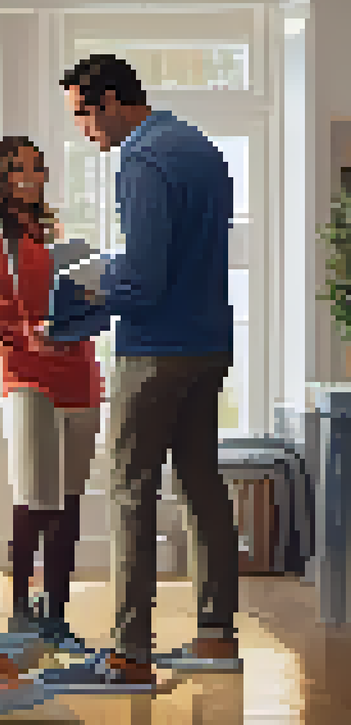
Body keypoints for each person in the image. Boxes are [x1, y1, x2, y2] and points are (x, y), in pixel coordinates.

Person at [42, 54, 240, 687]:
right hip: (208, 341)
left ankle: (128, 654)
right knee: (201, 482)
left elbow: (147, 278)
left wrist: (85, 295)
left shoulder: (143, 156)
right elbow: (181, 259)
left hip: (156, 349)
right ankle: (215, 637)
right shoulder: (201, 148)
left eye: (82, 115)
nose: (83, 131)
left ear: (108, 101)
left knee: (130, 487)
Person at [0, 136, 101, 648]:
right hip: (28, 378)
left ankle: (57, 614)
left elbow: (78, 293)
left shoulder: (55, 235)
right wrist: (34, 330)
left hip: (80, 377)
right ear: (0, 178)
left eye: (37, 168)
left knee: (68, 503)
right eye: (19, 168)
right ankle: (21, 612)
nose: (31, 176)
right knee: (33, 499)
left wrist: (93, 297)